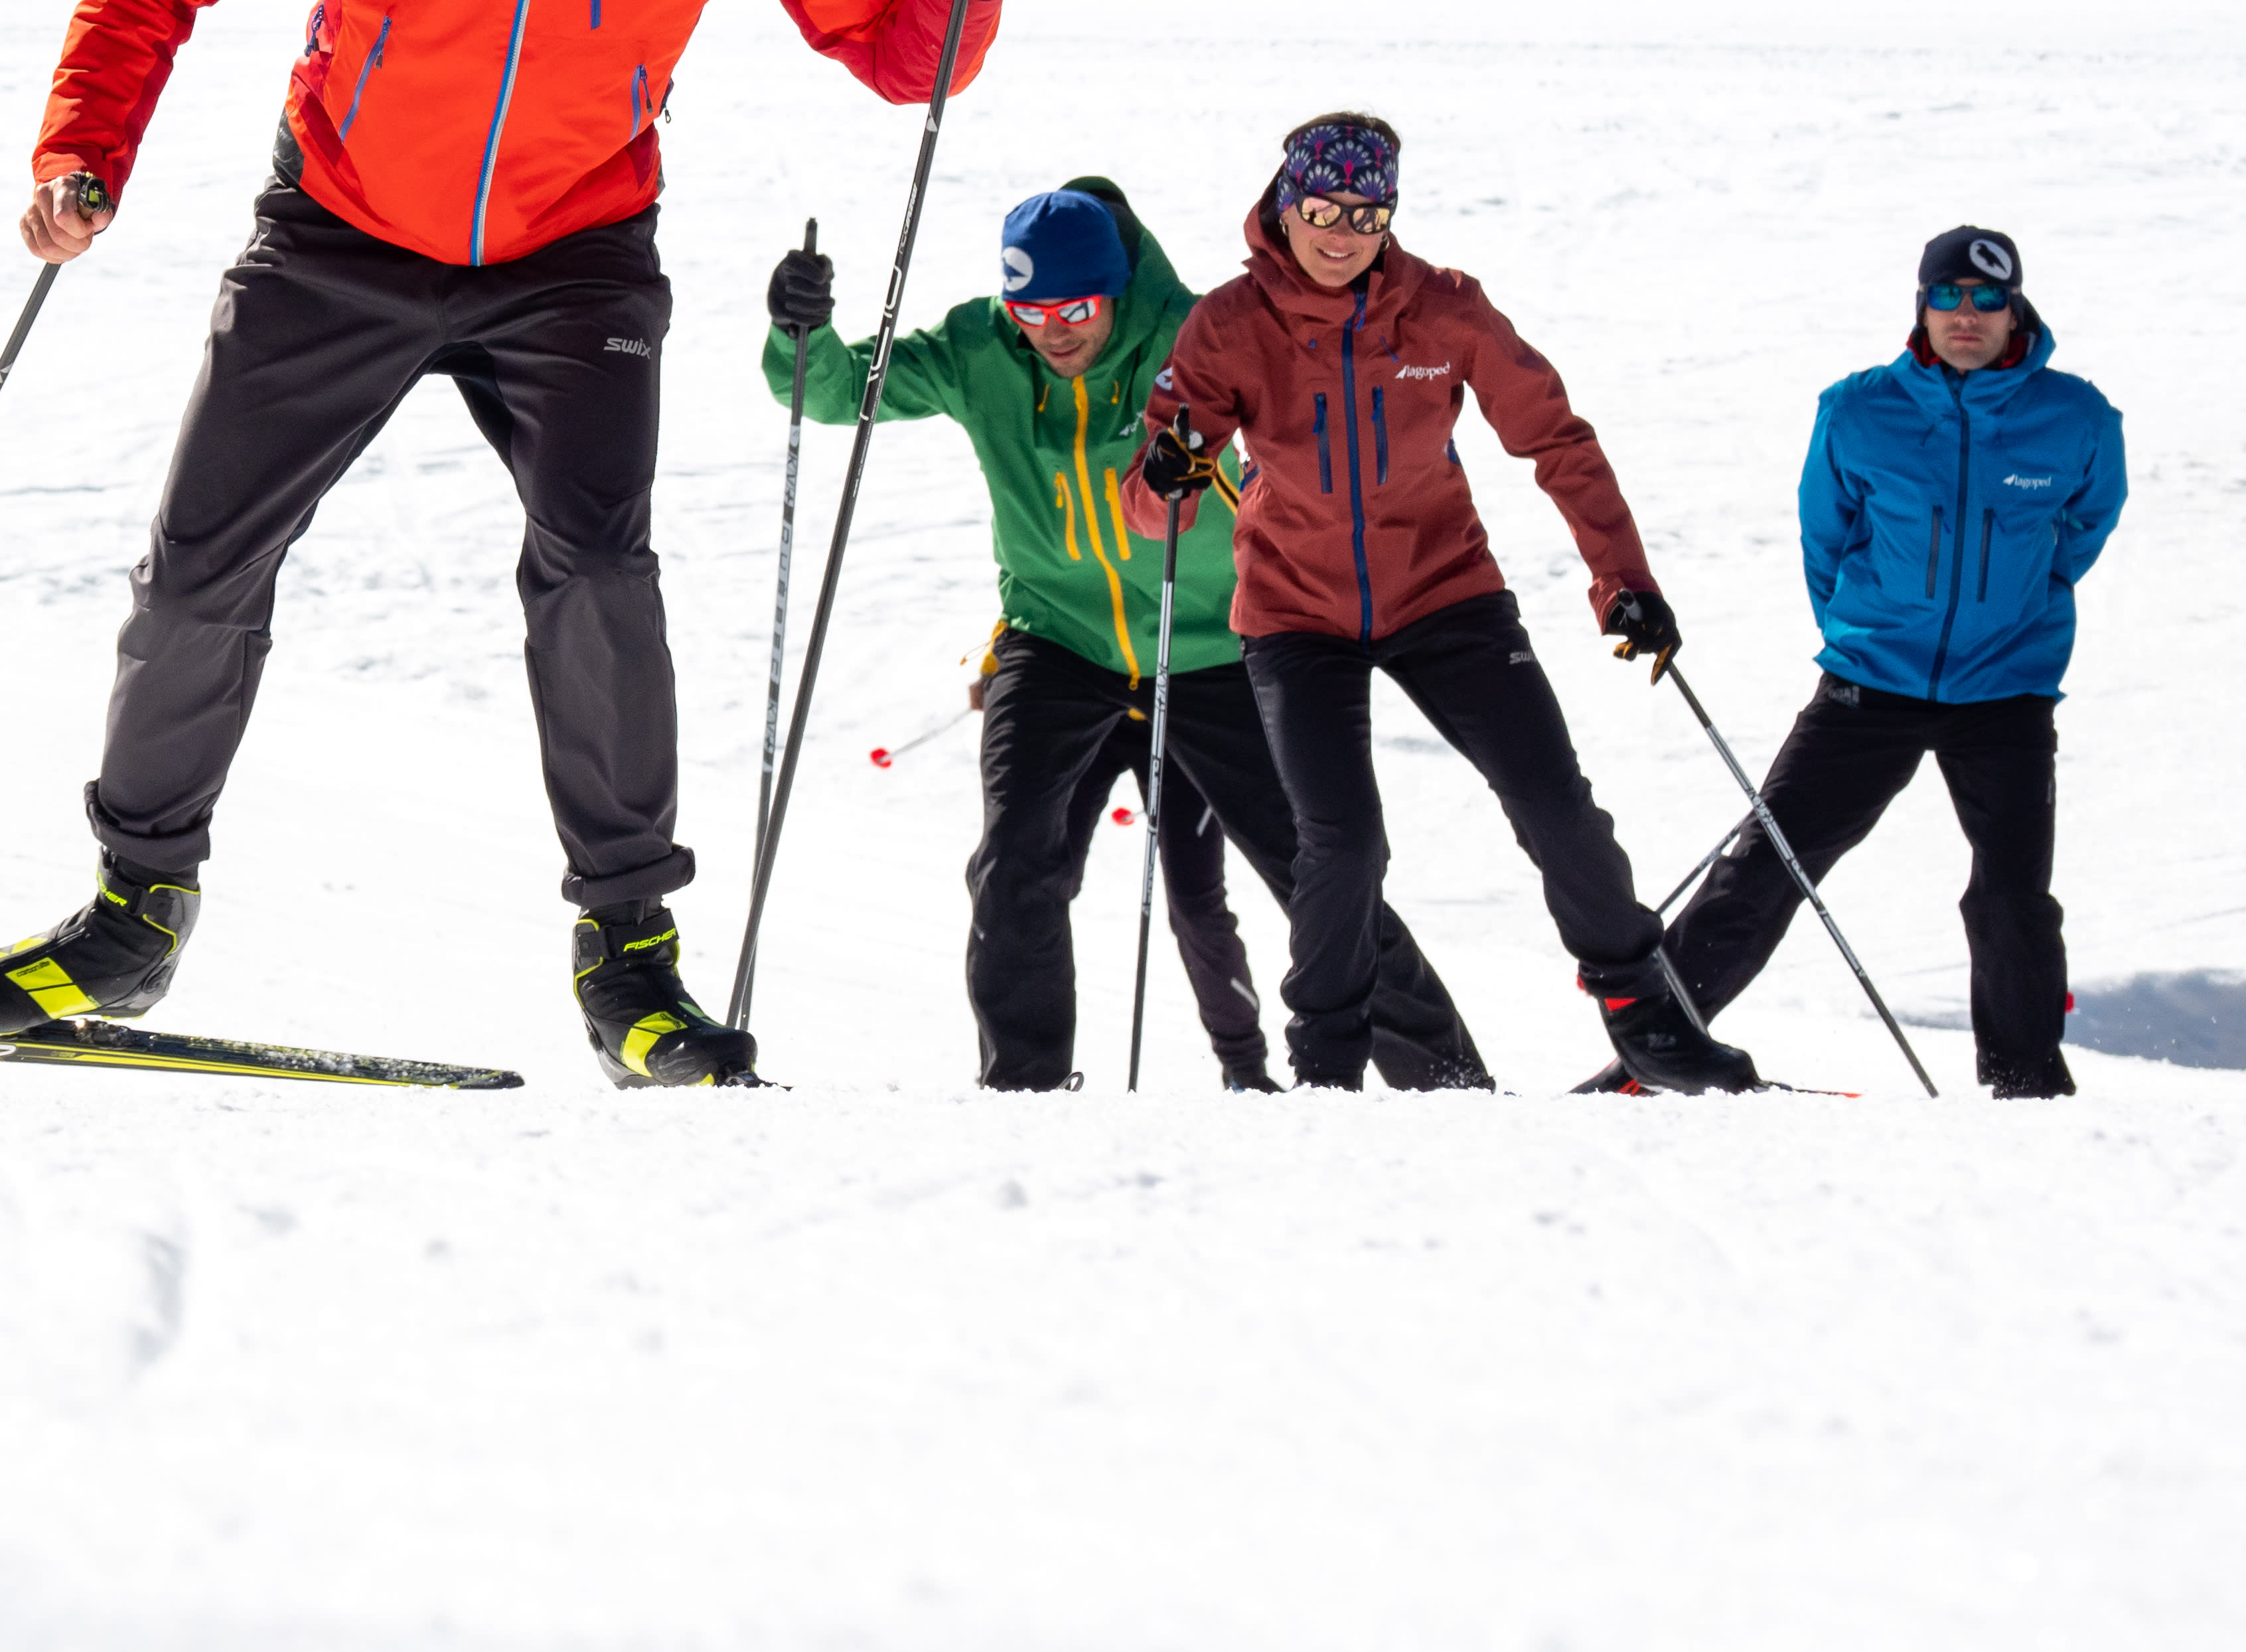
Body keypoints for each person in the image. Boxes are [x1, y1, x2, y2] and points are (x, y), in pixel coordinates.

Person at [0, 0, 1028, 1087]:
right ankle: (133, 910)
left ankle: (630, 962)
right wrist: (84, 153)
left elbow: (900, 52)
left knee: (597, 577)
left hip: (572, 252)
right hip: (342, 230)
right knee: (200, 568)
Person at [765, 180, 1493, 1094]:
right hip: (1056, 639)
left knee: (1319, 869)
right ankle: (1024, 1090)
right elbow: (833, 392)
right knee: (1015, 858)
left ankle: (1448, 1082)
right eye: (1032, 310)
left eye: (1076, 308)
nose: (1054, 331)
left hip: (1218, 641)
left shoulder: (1198, 338)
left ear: (1115, 292)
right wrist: (798, 333)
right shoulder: (980, 347)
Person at [1128, 114, 1761, 1093]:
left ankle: (1649, 1020)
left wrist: (1625, 582)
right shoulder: (1230, 323)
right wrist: (1167, 474)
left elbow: (1556, 441)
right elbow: (1149, 503)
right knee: (1343, 842)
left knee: (1553, 801)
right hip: (1296, 614)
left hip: (1445, 592)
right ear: (1287, 206)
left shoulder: (1445, 309)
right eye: (1324, 210)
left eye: (1368, 214)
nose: (1343, 234)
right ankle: (1327, 1063)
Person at [1606, 229, 2125, 1098]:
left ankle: (2027, 1087)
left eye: (1987, 299)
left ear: (2015, 310)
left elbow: (2083, 529)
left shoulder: (2076, 418)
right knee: (1767, 865)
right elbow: (1827, 538)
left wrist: (2016, 611)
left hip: (2006, 691)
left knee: (2013, 897)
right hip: (1871, 683)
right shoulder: (1858, 410)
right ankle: (1654, 1058)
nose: (1967, 315)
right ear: (1922, 306)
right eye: (1948, 296)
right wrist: (1868, 629)